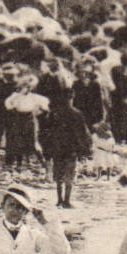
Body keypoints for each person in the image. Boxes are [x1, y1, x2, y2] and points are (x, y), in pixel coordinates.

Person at [37, 75, 92, 210]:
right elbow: (83, 134)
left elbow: (46, 132)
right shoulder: (77, 114)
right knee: (69, 175)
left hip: (57, 149)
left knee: (58, 176)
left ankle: (59, 200)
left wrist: (47, 150)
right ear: (72, 98)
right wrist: (85, 150)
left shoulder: (54, 113)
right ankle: (67, 201)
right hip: (71, 150)